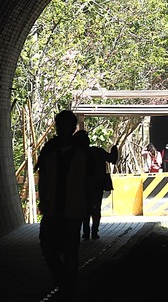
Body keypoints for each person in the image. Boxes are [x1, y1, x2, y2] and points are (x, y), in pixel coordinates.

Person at [35, 110, 88, 301]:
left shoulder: (83, 150)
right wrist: (43, 199)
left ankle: (68, 287)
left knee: (70, 249)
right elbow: (43, 176)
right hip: (52, 208)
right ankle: (62, 279)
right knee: (48, 246)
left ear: (73, 127)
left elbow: (89, 179)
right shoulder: (50, 148)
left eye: (66, 125)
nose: (62, 129)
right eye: (59, 125)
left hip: (73, 209)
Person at [73, 130, 118, 240]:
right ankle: (94, 232)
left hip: (81, 186)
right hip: (96, 185)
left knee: (85, 209)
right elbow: (112, 159)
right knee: (96, 208)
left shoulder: (75, 154)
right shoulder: (97, 151)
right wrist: (114, 149)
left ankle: (86, 232)